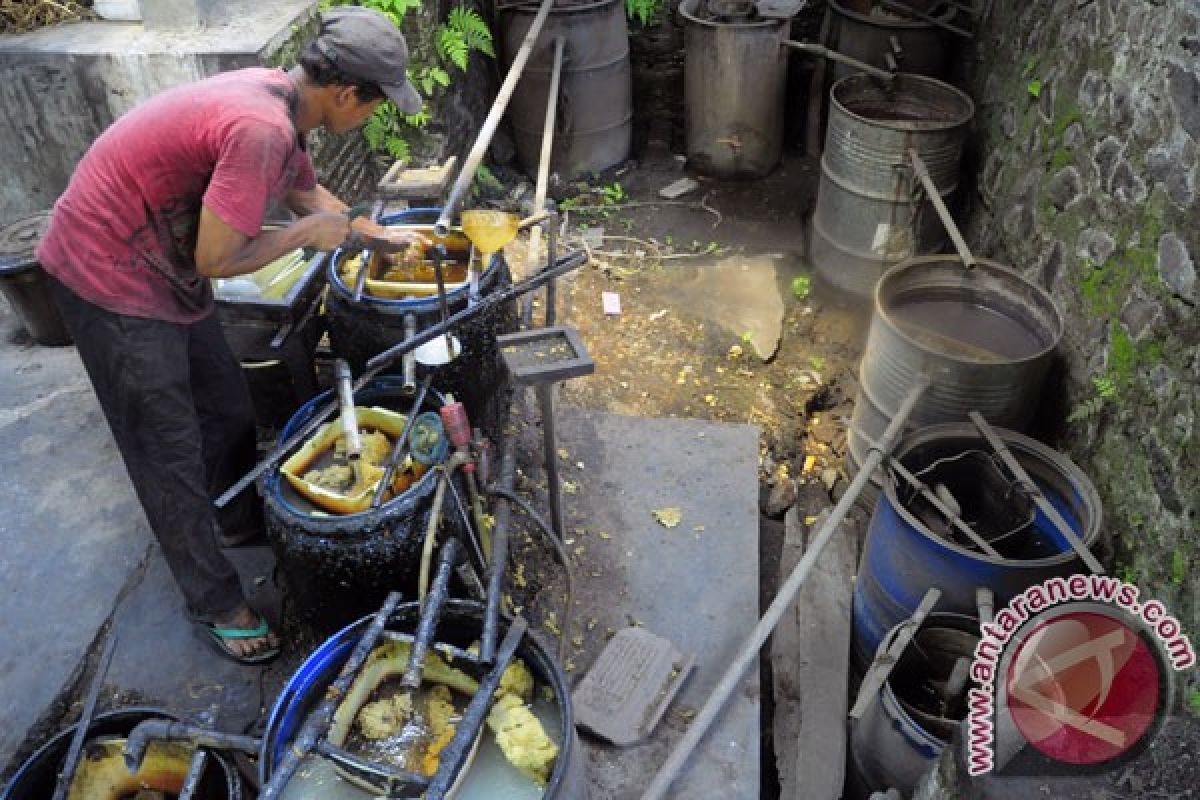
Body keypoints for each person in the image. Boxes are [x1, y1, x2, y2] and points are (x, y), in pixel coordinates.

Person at [36, 6, 427, 664]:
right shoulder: (260, 129)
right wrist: (306, 238)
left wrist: (377, 237)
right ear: (346, 94)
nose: (372, 116)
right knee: (167, 450)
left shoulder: (286, 108)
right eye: (375, 104)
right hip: (108, 272)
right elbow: (215, 259)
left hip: (161, 261)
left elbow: (309, 200)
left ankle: (237, 519)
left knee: (225, 404)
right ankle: (215, 602)